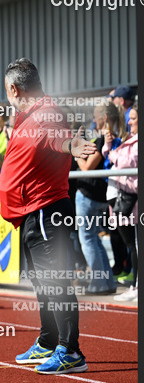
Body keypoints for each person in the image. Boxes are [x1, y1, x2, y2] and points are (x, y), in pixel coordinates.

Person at [0, 58, 95, 375]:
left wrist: (71, 145)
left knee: (55, 281)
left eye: (7, 91)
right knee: (42, 281)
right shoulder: (29, 115)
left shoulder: (45, 114)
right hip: (32, 211)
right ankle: (48, 341)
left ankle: (71, 351)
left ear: (14, 89)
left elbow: (57, 139)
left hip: (45, 209)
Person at [74, 102, 122, 294]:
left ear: (105, 118)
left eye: (96, 116)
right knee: (93, 239)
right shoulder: (108, 138)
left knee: (88, 239)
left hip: (89, 195)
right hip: (98, 196)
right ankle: (107, 282)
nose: (93, 120)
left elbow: (87, 168)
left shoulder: (103, 139)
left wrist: (75, 152)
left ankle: (99, 283)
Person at [105, 104, 137, 302]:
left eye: (133, 118)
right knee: (132, 244)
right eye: (129, 118)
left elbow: (126, 162)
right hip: (125, 199)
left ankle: (136, 286)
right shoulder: (130, 140)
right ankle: (135, 285)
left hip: (132, 201)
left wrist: (113, 154)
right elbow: (112, 158)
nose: (129, 122)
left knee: (134, 245)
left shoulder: (134, 142)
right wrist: (109, 146)